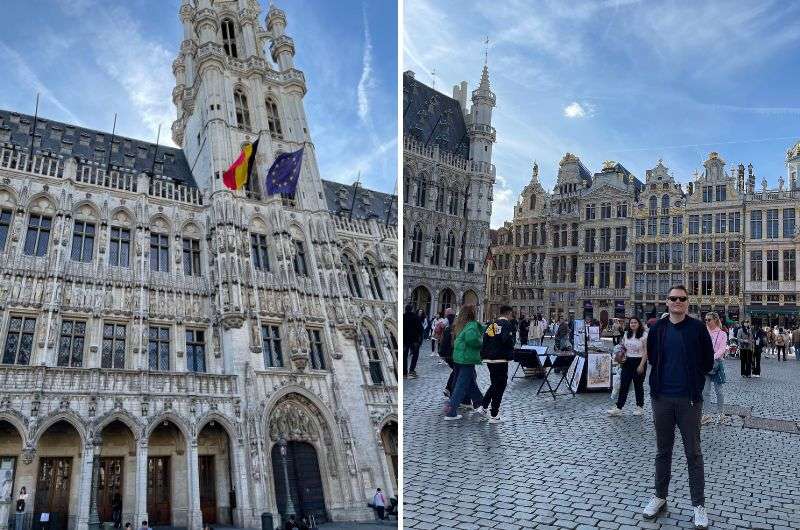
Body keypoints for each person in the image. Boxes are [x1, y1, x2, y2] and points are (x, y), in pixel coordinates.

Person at [641, 286, 713, 530]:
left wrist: (694, 380)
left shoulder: (697, 328)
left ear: (687, 303)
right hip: (661, 398)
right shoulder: (658, 328)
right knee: (663, 451)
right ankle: (660, 496)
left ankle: (698, 505)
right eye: (673, 298)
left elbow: (708, 360)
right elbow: (651, 357)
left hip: (689, 400)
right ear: (667, 302)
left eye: (682, 299)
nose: (677, 302)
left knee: (693, 453)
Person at [476, 304, 516, 423]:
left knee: (495, 384)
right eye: (511, 314)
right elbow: (507, 341)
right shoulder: (507, 325)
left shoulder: (491, 324)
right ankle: (494, 413)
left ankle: (484, 407)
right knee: (500, 385)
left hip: (489, 359)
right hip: (500, 358)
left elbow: (485, 340)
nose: (511, 317)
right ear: (508, 313)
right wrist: (512, 342)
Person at [444, 304, 484, 420]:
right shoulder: (471, 325)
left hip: (458, 357)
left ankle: (480, 404)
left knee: (469, 383)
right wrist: (480, 343)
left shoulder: (460, 325)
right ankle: (451, 412)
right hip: (466, 358)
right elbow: (471, 339)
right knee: (461, 386)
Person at [608, 316, 648, 416]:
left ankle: (640, 407)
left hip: (639, 361)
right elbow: (623, 346)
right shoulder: (626, 334)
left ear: (639, 324)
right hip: (627, 361)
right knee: (624, 385)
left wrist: (641, 365)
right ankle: (619, 407)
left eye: (635, 322)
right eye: (631, 323)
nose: (633, 324)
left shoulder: (644, 335)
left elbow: (646, 352)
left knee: (638, 385)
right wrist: (621, 355)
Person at [701, 312, 728, 425]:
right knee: (705, 391)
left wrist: (711, 358)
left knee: (719, 390)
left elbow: (722, 349)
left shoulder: (722, 334)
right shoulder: (703, 332)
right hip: (704, 364)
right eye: (706, 319)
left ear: (715, 320)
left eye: (709, 320)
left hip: (717, 364)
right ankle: (707, 414)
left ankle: (721, 413)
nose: (706, 322)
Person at [438, 308, 457, 397]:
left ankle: (450, 389)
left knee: (456, 370)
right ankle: (449, 389)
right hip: (451, 354)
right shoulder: (454, 329)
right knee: (457, 370)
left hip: (445, 354)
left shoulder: (447, 327)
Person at [402, 304, 422, 378]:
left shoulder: (403, 317)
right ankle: (411, 370)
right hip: (414, 340)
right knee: (415, 355)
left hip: (404, 340)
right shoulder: (416, 317)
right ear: (412, 309)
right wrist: (419, 341)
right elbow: (420, 329)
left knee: (404, 356)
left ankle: (404, 373)